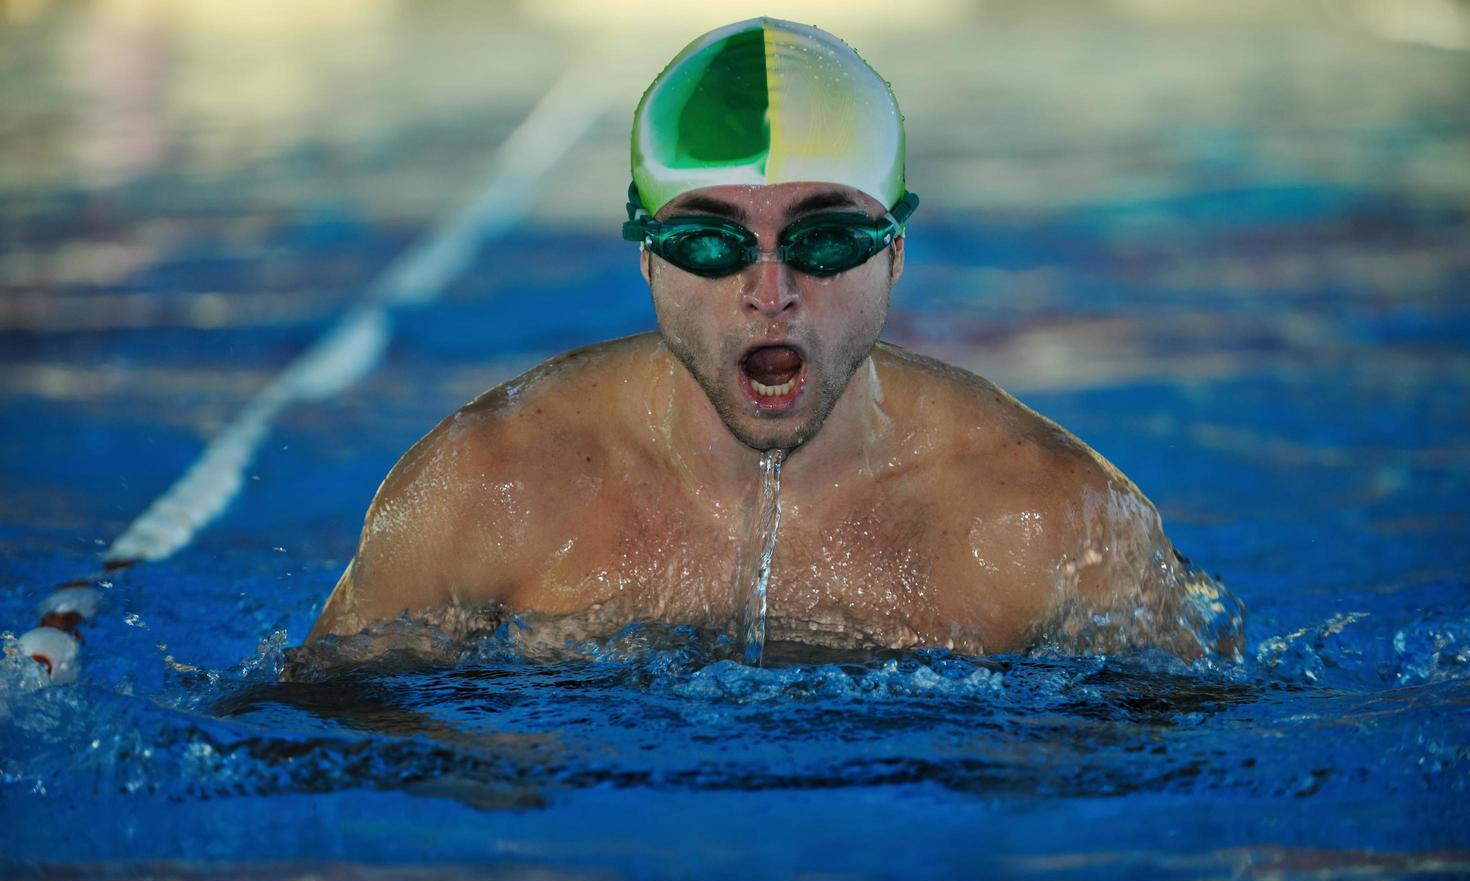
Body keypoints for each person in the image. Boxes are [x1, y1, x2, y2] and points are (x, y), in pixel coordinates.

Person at [308, 17, 1240, 661]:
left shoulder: (1048, 523)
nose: (771, 291)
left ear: (896, 254)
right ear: (646, 259)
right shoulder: (488, 487)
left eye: (825, 238)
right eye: (709, 241)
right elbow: (314, 743)